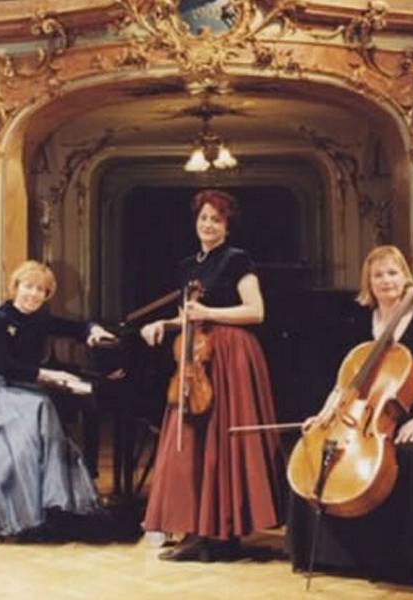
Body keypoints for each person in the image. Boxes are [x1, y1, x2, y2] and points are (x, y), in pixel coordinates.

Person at [287, 245, 413, 589]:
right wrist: (323, 416)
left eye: (392, 272)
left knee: (411, 458)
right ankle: (335, 558)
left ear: (406, 277)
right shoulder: (359, 322)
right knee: (316, 454)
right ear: (369, 282)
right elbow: (343, 385)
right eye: (378, 275)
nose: (386, 280)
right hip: (365, 419)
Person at [140, 189, 283, 561]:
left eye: (216, 220)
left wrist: (209, 312)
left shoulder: (238, 260)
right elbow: (188, 315)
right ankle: (198, 529)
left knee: (223, 440)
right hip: (197, 355)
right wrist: (162, 324)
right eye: (203, 218)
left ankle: (222, 534)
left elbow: (255, 311)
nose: (208, 224)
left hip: (231, 355)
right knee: (192, 440)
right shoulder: (189, 265)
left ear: (227, 227)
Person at [0, 260, 116, 541]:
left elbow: (76, 327)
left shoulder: (40, 319)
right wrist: (50, 375)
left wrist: (92, 330)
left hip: (28, 393)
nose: (33, 294)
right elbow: (1, 364)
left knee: (43, 412)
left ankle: (49, 509)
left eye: (41, 290)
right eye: (28, 286)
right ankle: (19, 515)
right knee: (27, 432)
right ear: (16, 287)